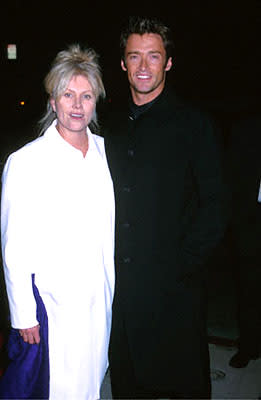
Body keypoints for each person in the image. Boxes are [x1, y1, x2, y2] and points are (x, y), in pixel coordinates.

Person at [104, 16, 228, 399]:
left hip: (175, 293)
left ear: (169, 62)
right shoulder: (109, 125)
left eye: (153, 56)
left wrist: (183, 266)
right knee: (128, 386)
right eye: (134, 57)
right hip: (123, 295)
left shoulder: (194, 125)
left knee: (182, 385)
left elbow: (216, 204)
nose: (144, 67)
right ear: (122, 63)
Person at [0, 44, 115, 400]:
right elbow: (13, 245)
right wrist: (23, 314)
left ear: (96, 101)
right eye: (68, 95)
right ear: (53, 101)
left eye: (86, 95)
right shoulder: (26, 162)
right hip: (55, 306)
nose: (77, 105)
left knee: (92, 383)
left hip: (100, 300)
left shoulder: (105, 153)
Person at [226, 115, 261, 368]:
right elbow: (232, 174)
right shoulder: (248, 126)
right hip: (252, 219)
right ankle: (249, 345)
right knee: (249, 286)